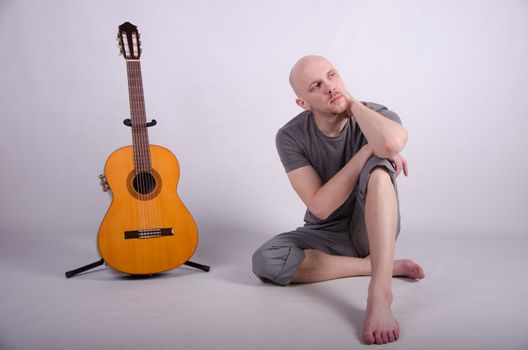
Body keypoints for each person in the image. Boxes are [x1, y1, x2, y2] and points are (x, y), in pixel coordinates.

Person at [252, 55, 425, 345]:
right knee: (266, 260)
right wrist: (364, 152)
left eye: (332, 76)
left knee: (380, 172)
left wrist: (353, 106)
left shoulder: (374, 115)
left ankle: (380, 294)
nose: (329, 87)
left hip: (371, 229)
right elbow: (320, 207)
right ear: (303, 103)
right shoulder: (290, 136)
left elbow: (392, 143)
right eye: (316, 86)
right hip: (326, 232)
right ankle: (383, 265)